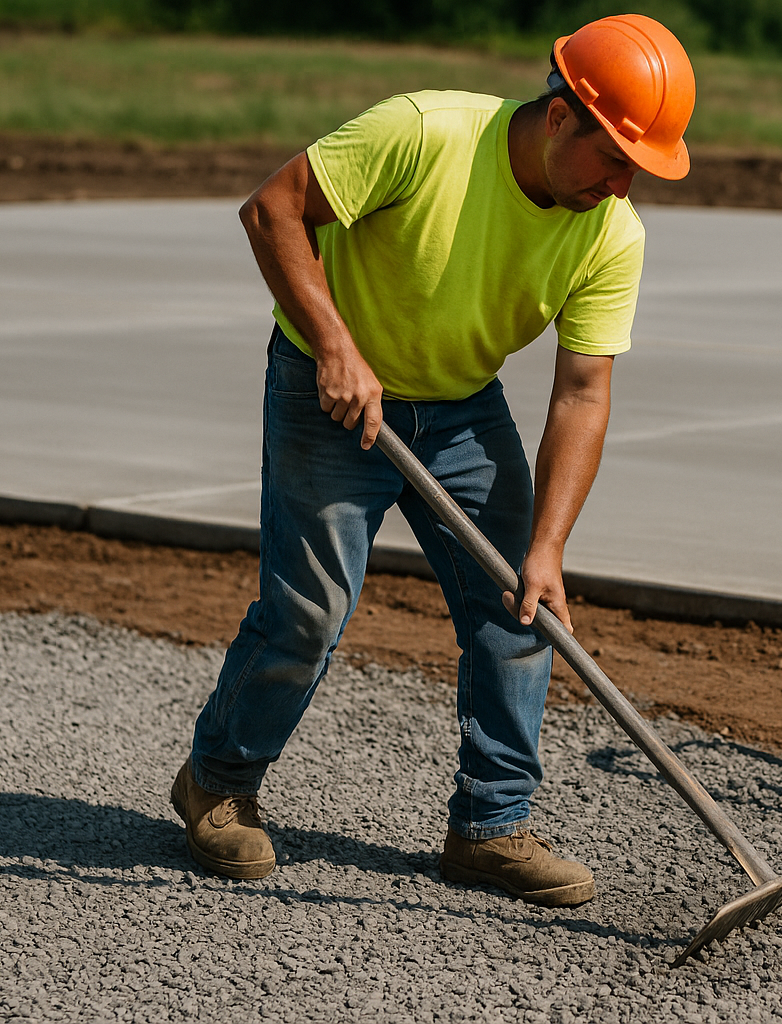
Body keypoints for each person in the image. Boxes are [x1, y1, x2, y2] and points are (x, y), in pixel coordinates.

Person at [168, 15, 695, 907]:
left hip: (459, 409)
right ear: (563, 116)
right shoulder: (425, 134)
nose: (625, 181)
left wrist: (549, 547)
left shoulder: (611, 233)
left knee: (524, 607)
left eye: (640, 165)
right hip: (325, 386)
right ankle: (216, 782)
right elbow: (273, 208)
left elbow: (581, 396)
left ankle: (490, 826)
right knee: (309, 613)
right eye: (616, 155)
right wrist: (334, 345)